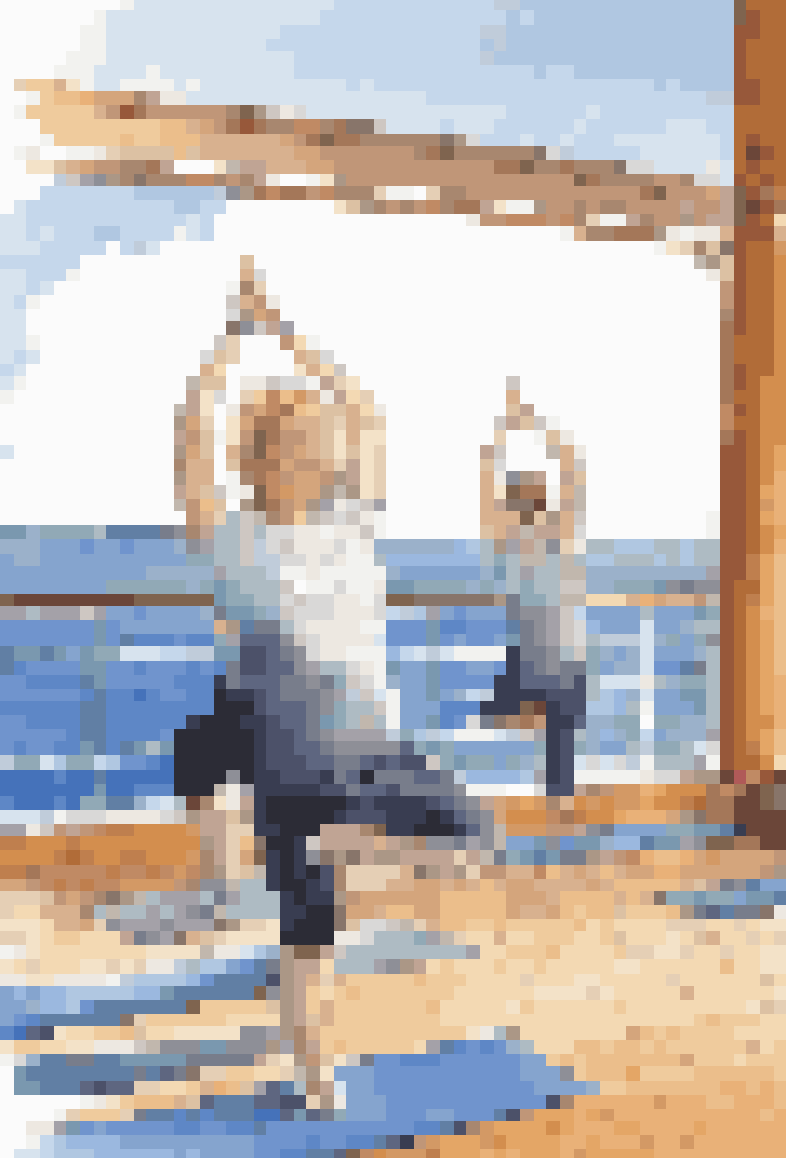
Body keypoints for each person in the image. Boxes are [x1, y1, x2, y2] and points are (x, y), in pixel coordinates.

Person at [170, 262, 491, 1113]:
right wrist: (227, 348)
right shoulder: (230, 533)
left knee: (473, 842)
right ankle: (315, 1070)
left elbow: (367, 408)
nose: (326, 449)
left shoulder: (353, 518)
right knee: (310, 930)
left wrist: (282, 329)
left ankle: (349, 846)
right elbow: (192, 439)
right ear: (263, 459)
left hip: (372, 740)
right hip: (290, 745)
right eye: (305, 439)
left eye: (326, 440)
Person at [478, 381, 589, 800]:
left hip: (551, 659)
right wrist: (514, 427)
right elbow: (570, 471)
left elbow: (571, 471)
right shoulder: (516, 538)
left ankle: (553, 803)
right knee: (552, 750)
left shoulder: (547, 534)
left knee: (556, 754)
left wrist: (519, 426)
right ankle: (551, 801)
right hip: (539, 658)